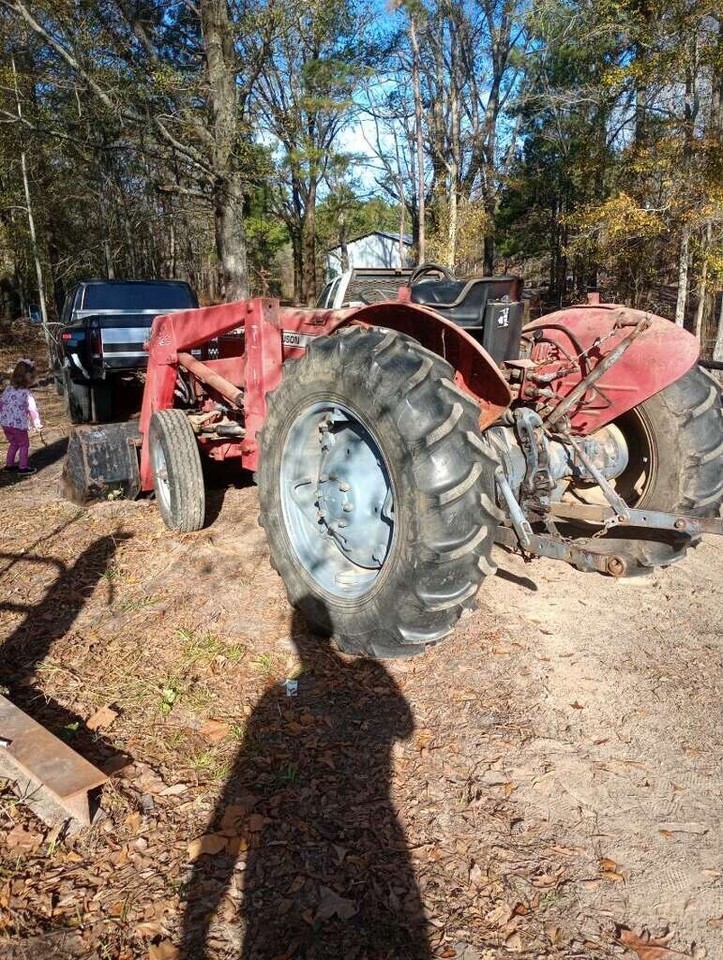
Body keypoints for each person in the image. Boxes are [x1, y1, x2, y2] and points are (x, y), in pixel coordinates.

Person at [0, 358, 43, 476]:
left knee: (13, 444)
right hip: (18, 425)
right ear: (29, 379)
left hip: (6, 424)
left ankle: (9, 465)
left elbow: (1, 403)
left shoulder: (8, 390)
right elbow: (32, 410)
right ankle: (23, 467)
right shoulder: (26, 394)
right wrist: (37, 423)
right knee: (24, 444)